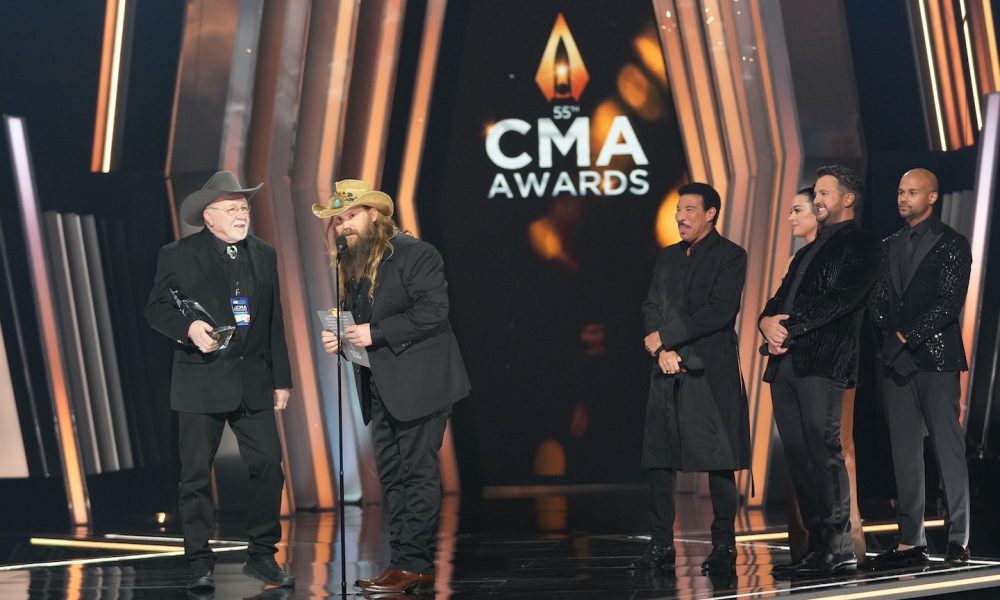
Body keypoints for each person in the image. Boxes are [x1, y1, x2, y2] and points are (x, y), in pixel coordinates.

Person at [315, 179, 470, 594]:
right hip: (381, 384)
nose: (343, 226)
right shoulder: (350, 263)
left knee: (417, 473)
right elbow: (360, 327)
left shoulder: (416, 254)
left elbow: (433, 312)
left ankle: (415, 563)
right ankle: (403, 560)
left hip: (421, 381)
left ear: (375, 215)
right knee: (393, 475)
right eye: (338, 220)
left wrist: (374, 332)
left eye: (350, 216)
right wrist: (342, 340)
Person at [145, 171, 295, 591]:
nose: (241, 214)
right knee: (195, 475)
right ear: (208, 216)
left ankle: (262, 556)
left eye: (244, 207)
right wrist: (189, 328)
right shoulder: (177, 254)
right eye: (231, 208)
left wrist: (281, 379)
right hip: (200, 380)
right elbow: (156, 309)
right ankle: (198, 563)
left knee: (268, 465)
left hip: (254, 380)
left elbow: (274, 319)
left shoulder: (264, 254)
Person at [759, 165, 879, 576]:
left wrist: (787, 328)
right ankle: (817, 548)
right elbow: (777, 299)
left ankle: (840, 547)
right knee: (798, 455)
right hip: (785, 363)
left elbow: (842, 301)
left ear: (848, 198)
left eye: (825, 193)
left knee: (823, 450)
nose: (818, 200)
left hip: (823, 362)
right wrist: (765, 323)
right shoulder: (807, 250)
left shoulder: (863, 244)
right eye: (818, 194)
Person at [631, 182, 751, 573]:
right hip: (666, 369)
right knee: (659, 461)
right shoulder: (665, 258)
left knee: (719, 460)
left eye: (688, 210)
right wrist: (660, 350)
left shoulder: (731, 256)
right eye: (678, 210)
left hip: (708, 369)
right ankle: (661, 545)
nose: (679, 217)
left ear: (711, 212)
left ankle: (724, 546)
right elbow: (652, 305)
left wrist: (667, 338)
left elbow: (718, 311)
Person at [866, 168, 971, 569]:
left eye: (912, 192)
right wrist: (892, 346)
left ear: (932, 197)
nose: (903, 197)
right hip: (896, 361)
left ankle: (959, 539)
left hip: (938, 358)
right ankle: (912, 540)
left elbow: (948, 302)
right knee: (904, 453)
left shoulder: (952, 243)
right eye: (899, 191)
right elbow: (876, 302)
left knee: (948, 450)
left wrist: (906, 337)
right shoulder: (886, 244)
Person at [781, 188, 867, 564]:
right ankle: (809, 544)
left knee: (836, 450)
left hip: (832, 366)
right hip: (794, 365)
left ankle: (847, 543)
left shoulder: (847, 254)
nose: (793, 217)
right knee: (800, 453)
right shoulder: (796, 259)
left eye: (799, 209)